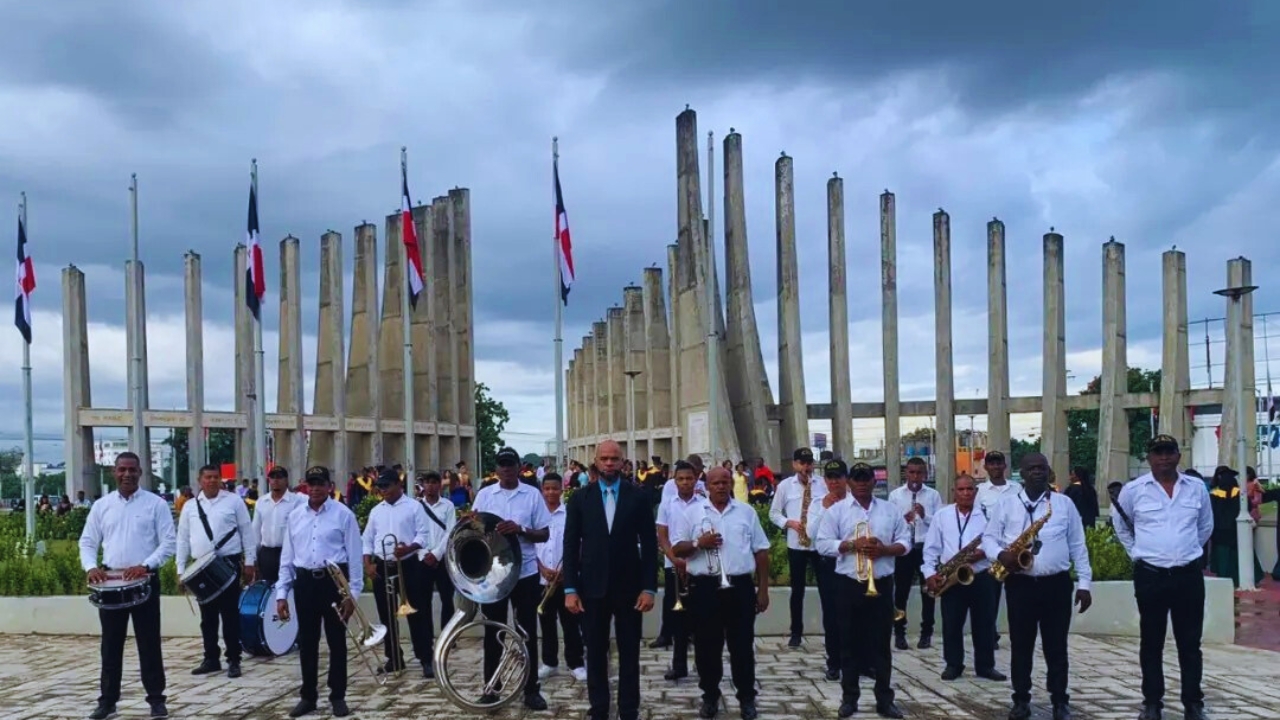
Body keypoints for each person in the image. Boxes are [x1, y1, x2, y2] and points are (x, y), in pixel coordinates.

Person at [982, 452, 1092, 720]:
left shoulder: (1063, 503)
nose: (1037, 472)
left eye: (1041, 468)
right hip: (1020, 584)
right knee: (1021, 646)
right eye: (1031, 468)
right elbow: (988, 539)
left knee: (1057, 647)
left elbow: (1078, 544)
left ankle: (1060, 701)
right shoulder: (1007, 504)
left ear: (1048, 471)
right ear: (1021, 473)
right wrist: (1001, 555)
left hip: (1057, 585)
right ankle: (1021, 700)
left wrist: (1084, 583)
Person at [1112, 435, 1212, 720]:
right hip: (1151, 576)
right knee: (1151, 642)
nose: (1164, 458)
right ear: (1149, 458)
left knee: (1190, 644)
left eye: (1169, 452)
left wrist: (1185, 552)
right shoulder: (1133, 490)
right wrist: (1139, 553)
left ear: (1178, 456)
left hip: (1187, 576)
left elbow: (1205, 526)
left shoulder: (1196, 488)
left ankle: (1193, 704)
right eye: (1158, 453)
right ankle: (1152, 703)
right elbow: (1121, 526)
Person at [563, 440, 658, 720]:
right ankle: (599, 709)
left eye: (614, 459)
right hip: (592, 589)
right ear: (595, 461)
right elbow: (570, 545)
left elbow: (650, 545)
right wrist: (570, 588)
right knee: (595, 653)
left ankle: (628, 710)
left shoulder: (638, 497)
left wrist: (649, 587)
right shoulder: (580, 499)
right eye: (603, 458)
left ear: (622, 462)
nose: (608, 463)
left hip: (630, 589)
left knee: (629, 653)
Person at [79, 452, 176, 720]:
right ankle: (107, 702)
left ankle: (156, 700)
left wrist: (146, 565)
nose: (127, 474)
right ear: (114, 471)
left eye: (132, 470)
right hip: (110, 584)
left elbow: (169, 542)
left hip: (144, 582)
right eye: (122, 469)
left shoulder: (155, 504)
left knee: (149, 643)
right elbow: (87, 541)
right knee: (110, 645)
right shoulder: (102, 506)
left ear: (140, 472)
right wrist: (91, 567)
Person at [670, 466, 770, 720]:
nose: (721, 487)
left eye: (725, 482)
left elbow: (761, 551)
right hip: (705, 587)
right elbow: (677, 548)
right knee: (706, 646)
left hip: (740, 586)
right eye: (715, 483)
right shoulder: (692, 513)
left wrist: (763, 590)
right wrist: (698, 543)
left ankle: (746, 698)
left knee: (743, 646)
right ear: (707, 486)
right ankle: (710, 696)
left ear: (731, 484)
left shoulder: (746, 512)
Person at [815, 461, 907, 719]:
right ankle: (849, 699)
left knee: (881, 644)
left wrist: (884, 550)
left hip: (881, 583)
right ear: (850, 482)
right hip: (849, 584)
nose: (863, 483)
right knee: (848, 642)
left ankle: (885, 700)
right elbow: (822, 544)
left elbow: (905, 542)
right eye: (857, 478)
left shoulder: (890, 510)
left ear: (874, 481)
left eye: (867, 478)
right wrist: (850, 545)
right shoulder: (836, 511)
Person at [274, 466, 363, 718]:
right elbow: (287, 558)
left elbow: (355, 557)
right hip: (305, 583)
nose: (315, 489)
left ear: (329, 486)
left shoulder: (343, 515)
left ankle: (338, 696)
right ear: (306, 486)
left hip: (333, 584)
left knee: (337, 641)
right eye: (311, 484)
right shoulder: (295, 516)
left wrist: (352, 595)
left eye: (320, 484)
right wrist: (281, 593)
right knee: (307, 642)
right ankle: (308, 696)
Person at [471, 446, 552, 710]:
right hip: (493, 573)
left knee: (526, 631)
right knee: (493, 632)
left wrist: (520, 529)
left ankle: (531, 690)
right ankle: (491, 689)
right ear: (496, 469)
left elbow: (544, 534)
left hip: (525, 572)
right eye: (502, 464)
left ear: (519, 467)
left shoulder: (532, 494)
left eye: (510, 464)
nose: (506, 469)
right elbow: (473, 529)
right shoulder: (485, 495)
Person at [176, 464, 257, 680]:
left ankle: (234, 659)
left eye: (215, 477)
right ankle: (211, 658)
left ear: (221, 479)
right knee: (207, 617)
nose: (212, 481)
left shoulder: (234, 501)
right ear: (199, 480)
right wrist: (180, 569)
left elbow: (247, 532)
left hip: (228, 563)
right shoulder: (190, 506)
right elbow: (182, 539)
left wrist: (250, 561)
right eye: (207, 477)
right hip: (201, 566)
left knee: (230, 615)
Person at [922, 474, 1005, 682]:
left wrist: (983, 553)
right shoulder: (942, 516)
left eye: (970, 489)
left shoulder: (987, 516)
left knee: (985, 624)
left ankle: (985, 666)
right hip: (952, 576)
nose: (966, 493)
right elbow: (931, 548)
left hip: (981, 576)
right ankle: (953, 664)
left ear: (975, 492)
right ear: (954, 492)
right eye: (961, 489)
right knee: (951, 624)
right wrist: (930, 573)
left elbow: (999, 542)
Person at [361, 468, 433, 678]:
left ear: (398, 485)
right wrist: (368, 564)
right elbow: (367, 539)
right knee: (386, 615)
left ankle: (425, 658)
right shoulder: (376, 511)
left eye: (387, 486)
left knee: (417, 613)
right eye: (380, 487)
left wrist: (409, 548)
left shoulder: (414, 506)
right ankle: (394, 658)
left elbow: (423, 535)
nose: (383, 490)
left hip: (408, 564)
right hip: (383, 565)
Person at [654, 460, 708, 679]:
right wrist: (674, 559)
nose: (685, 482)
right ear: (674, 481)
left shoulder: (704, 503)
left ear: (696, 480)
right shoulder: (667, 504)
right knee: (677, 618)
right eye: (681, 479)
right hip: (674, 566)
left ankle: (703, 665)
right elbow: (662, 535)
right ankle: (679, 665)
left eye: (689, 479)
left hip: (698, 565)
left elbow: (706, 534)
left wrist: (690, 557)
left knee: (700, 618)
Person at [768, 447, 827, 647]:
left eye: (809, 463)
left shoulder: (822, 484)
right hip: (796, 544)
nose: (805, 467)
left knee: (826, 589)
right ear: (794, 464)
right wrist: (790, 523)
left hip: (818, 544)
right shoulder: (785, 486)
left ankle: (831, 630)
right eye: (802, 463)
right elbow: (774, 513)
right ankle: (796, 633)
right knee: (797, 591)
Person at [535, 472, 586, 682]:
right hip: (543, 579)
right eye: (547, 489)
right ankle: (550, 662)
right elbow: (530, 547)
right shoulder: (536, 515)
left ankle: (576, 663)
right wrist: (541, 568)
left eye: (555, 488)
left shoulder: (569, 514)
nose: (551, 493)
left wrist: (568, 570)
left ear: (562, 490)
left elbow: (579, 544)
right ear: (542, 491)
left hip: (566, 579)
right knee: (546, 623)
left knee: (571, 623)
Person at [887, 456, 942, 650]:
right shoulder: (895, 495)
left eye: (919, 473)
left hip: (925, 548)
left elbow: (939, 523)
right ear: (906, 473)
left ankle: (926, 633)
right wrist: (903, 519)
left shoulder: (933, 495)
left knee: (928, 592)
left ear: (925, 474)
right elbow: (890, 524)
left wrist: (924, 515)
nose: (915, 476)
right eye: (912, 472)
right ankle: (899, 632)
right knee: (901, 593)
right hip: (905, 549)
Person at [810, 457, 852, 681]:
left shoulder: (856, 502)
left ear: (846, 479)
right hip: (828, 563)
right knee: (832, 614)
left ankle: (858, 660)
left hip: (851, 560)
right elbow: (811, 534)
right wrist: (824, 509)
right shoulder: (818, 503)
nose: (834, 482)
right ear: (825, 480)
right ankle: (834, 662)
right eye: (830, 478)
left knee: (856, 613)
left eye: (838, 477)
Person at [415, 470, 457, 635]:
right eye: (427, 482)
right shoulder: (416, 506)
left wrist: (437, 554)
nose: (430, 486)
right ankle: (426, 636)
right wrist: (425, 553)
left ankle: (447, 635)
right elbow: (414, 532)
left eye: (434, 482)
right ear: (423, 485)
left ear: (440, 485)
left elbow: (450, 531)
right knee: (423, 600)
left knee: (447, 598)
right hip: (423, 558)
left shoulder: (448, 506)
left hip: (443, 558)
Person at [253, 466, 303, 585]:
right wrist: (253, 558)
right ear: (269, 480)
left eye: (279, 477)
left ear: (286, 480)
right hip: (267, 554)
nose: (276, 480)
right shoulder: (261, 502)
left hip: (289, 553)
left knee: (290, 589)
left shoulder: (297, 501)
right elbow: (255, 531)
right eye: (273, 477)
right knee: (268, 589)